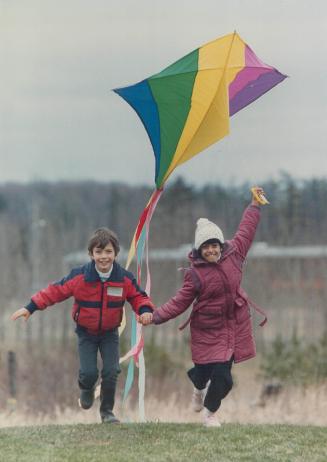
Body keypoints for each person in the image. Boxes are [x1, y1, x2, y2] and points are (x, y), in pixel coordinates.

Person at [150, 187, 267, 427]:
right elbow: (179, 302)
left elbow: (247, 230)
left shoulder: (235, 254)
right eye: (206, 247)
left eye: (215, 245)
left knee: (224, 378)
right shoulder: (195, 275)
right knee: (203, 371)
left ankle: (210, 414)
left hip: (233, 325)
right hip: (207, 328)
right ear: (199, 250)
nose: (212, 250)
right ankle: (198, 385)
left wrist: (254, 205)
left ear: (221, 244)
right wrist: (154, 317)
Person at [11, 227, 154, 423]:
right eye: (99, 252)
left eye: (108, 252)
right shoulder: (80, 277)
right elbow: (55, 291)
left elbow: (139, 297)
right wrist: (31, 307)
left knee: (111, 372)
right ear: (91, 254)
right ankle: (86, 388)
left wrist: (144, 311)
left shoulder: (124, 278)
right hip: (86, 333)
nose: (104, 257)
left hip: (109, 333)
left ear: (116, 253)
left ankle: (107, 412)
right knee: (89, 373)